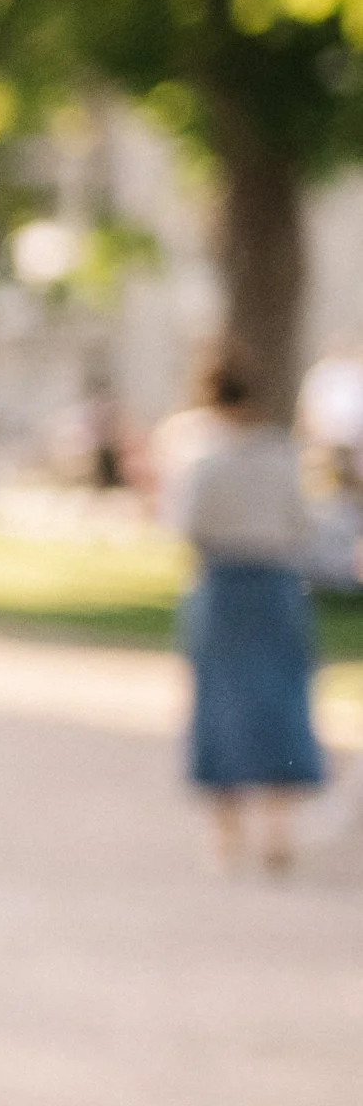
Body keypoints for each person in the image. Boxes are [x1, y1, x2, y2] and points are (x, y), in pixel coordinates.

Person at [177, 351, 324, 873]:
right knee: (279, 699)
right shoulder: (279, 456)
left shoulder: (203, 460)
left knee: (220, 703)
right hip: (275, 585)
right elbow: (302, 524)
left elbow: (187, 527)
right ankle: (278, 830)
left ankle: (225, 833)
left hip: (222, 587)